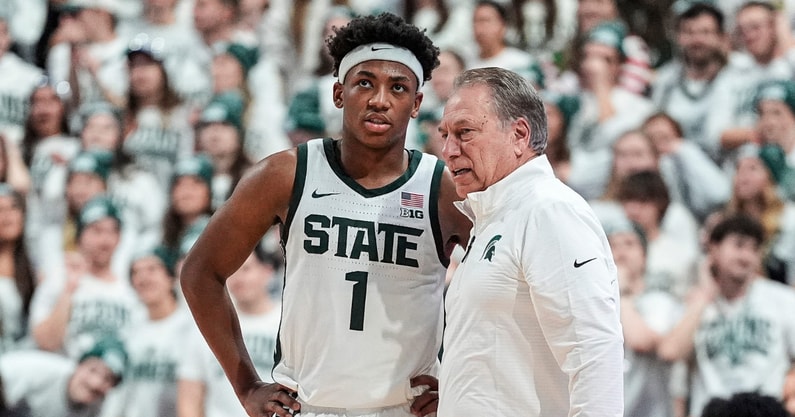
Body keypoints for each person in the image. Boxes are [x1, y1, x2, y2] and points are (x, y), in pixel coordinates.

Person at [180, 12, 470, 417]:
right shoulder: (285, 174)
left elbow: (502, 290)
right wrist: (246, 385)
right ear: (338, 93)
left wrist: (461, 382)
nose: (379, 99)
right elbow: (200, 273)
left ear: (417, 102)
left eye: (398, 87)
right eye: (364, 82)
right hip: (307, 406)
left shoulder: (443, 189)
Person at [436, 66, 624, 416]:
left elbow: (594, 349)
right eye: (444, 134)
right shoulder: (493, 215)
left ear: (519, 134)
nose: (448, 149)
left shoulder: (548, 210)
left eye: (464, 132)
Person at [657, 214, 795, 417]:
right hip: (713, 412)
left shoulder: (781, 299)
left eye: (754, 249)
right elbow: (669, 352)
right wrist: (704, 298)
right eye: (739, 246)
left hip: (765, 411)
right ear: (713, 248)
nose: (746, 256)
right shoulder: (695, 304)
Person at [0, 335, 127, 417]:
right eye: (93, 370)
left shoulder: (98, 404)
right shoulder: (39, 370)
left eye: (108, 379)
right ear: (78, 365)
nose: (96, 382)